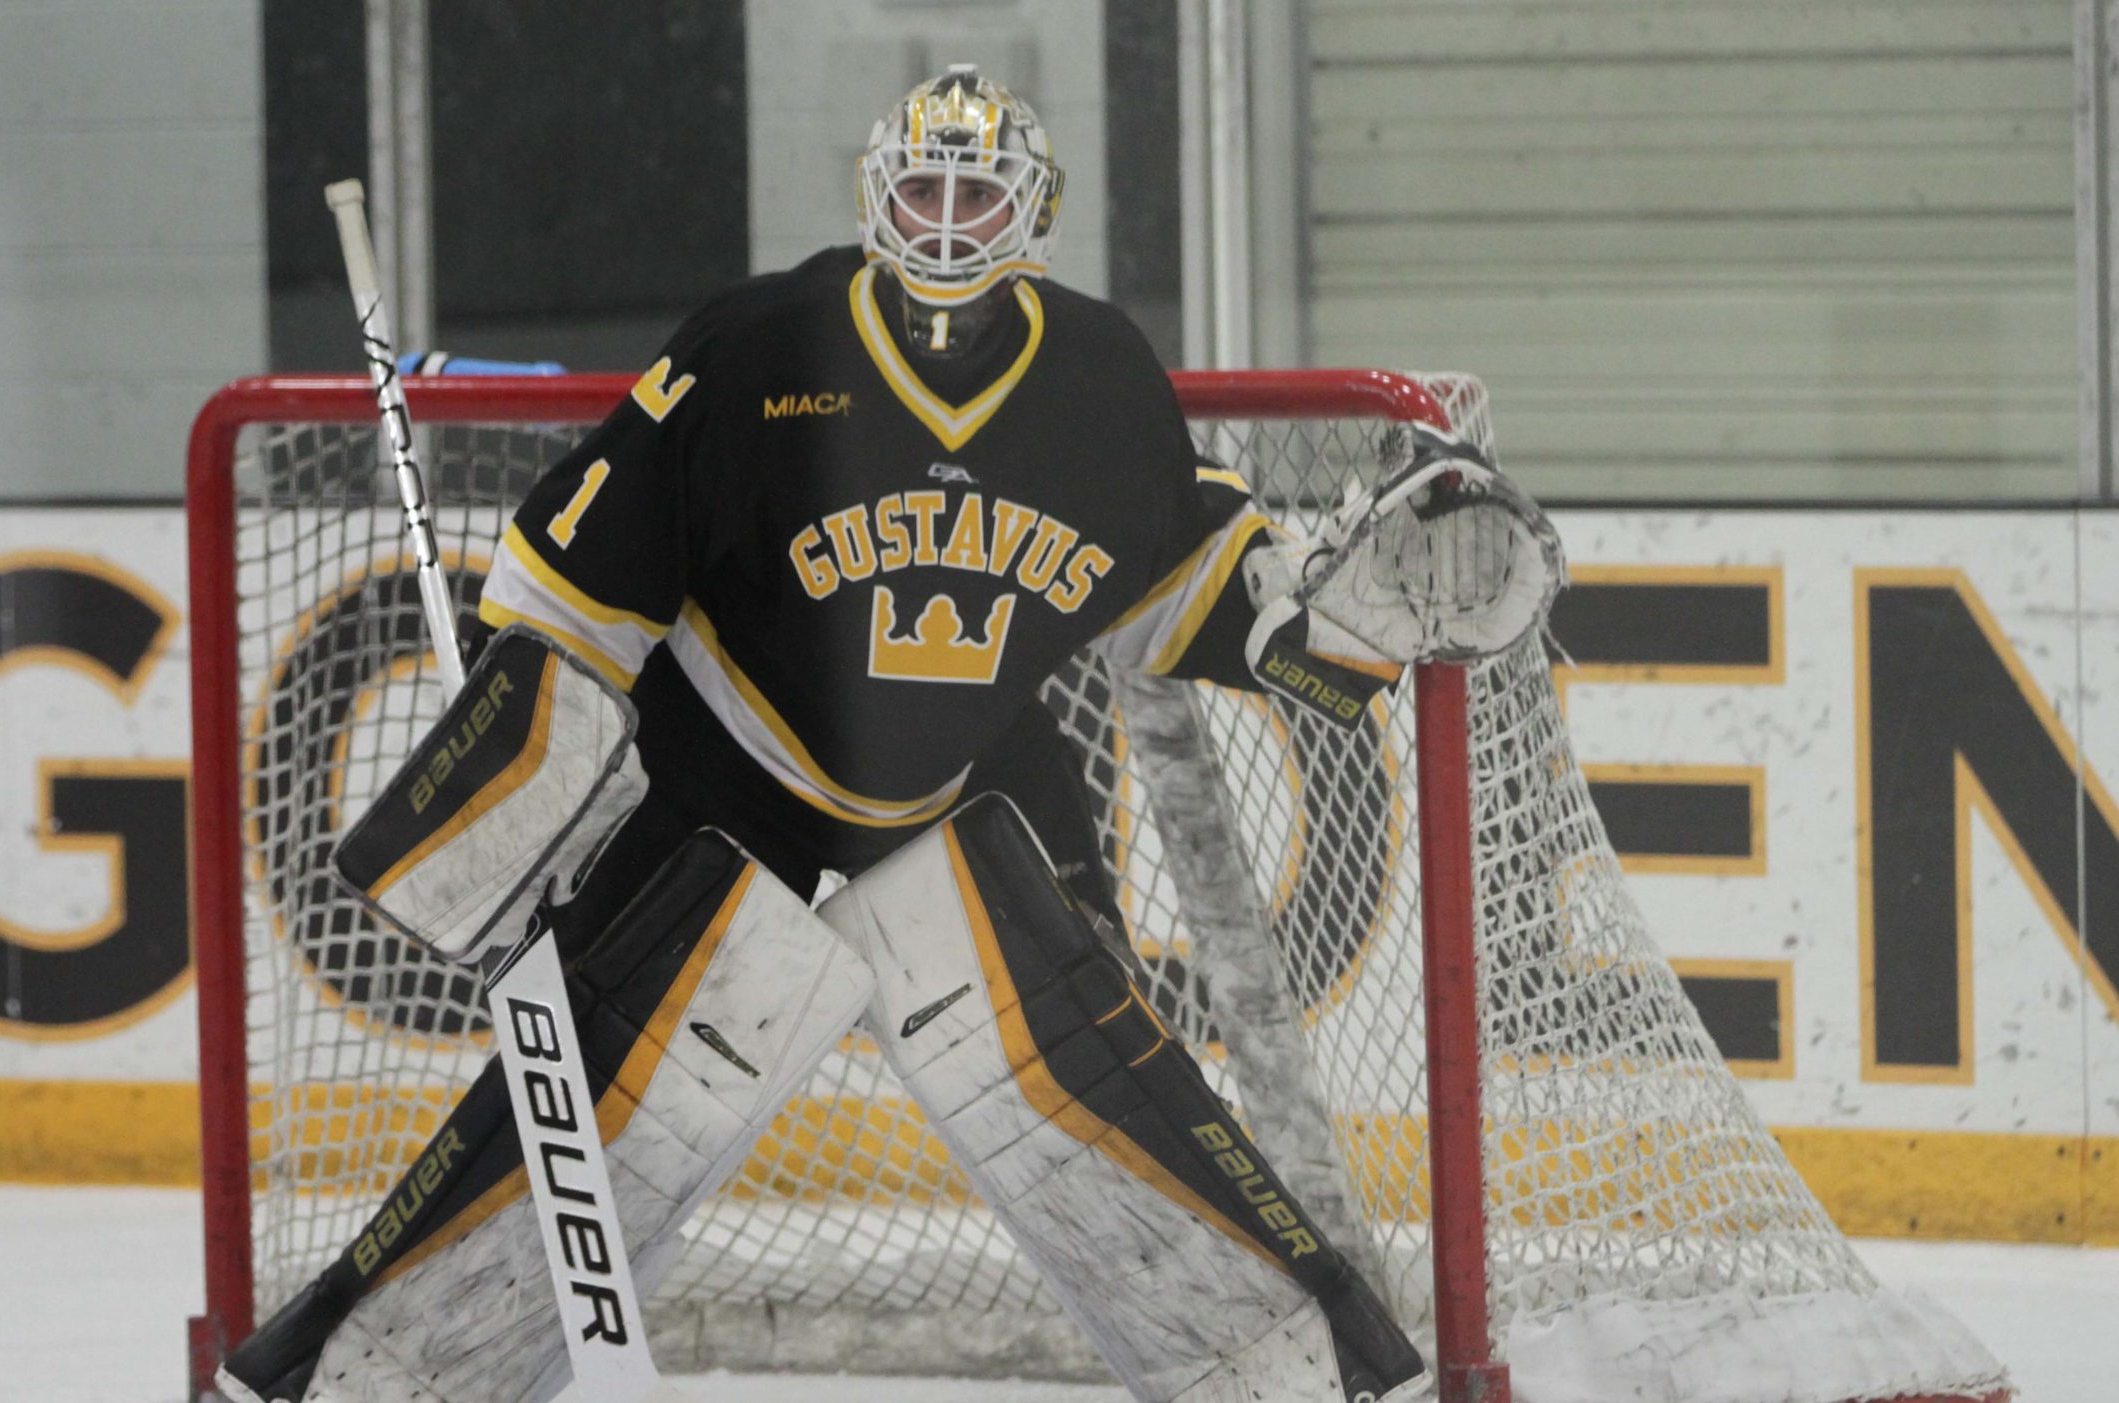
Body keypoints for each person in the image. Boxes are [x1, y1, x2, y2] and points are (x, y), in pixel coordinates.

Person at [224, 65, 1553, 1403]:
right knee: (558, 1148)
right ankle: (347, 1382)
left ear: (1036, 211)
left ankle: (1310, 1377)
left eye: (979, 190)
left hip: (948, 807)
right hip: (714, 799)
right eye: (925, 185)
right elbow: (573, 593)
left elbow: (1198, 594)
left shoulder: (1098, 377)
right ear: (876, 192)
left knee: (1111, 1107)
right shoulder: (759, 347)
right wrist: (515, 794)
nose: (949, 217)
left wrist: (1344, 634)